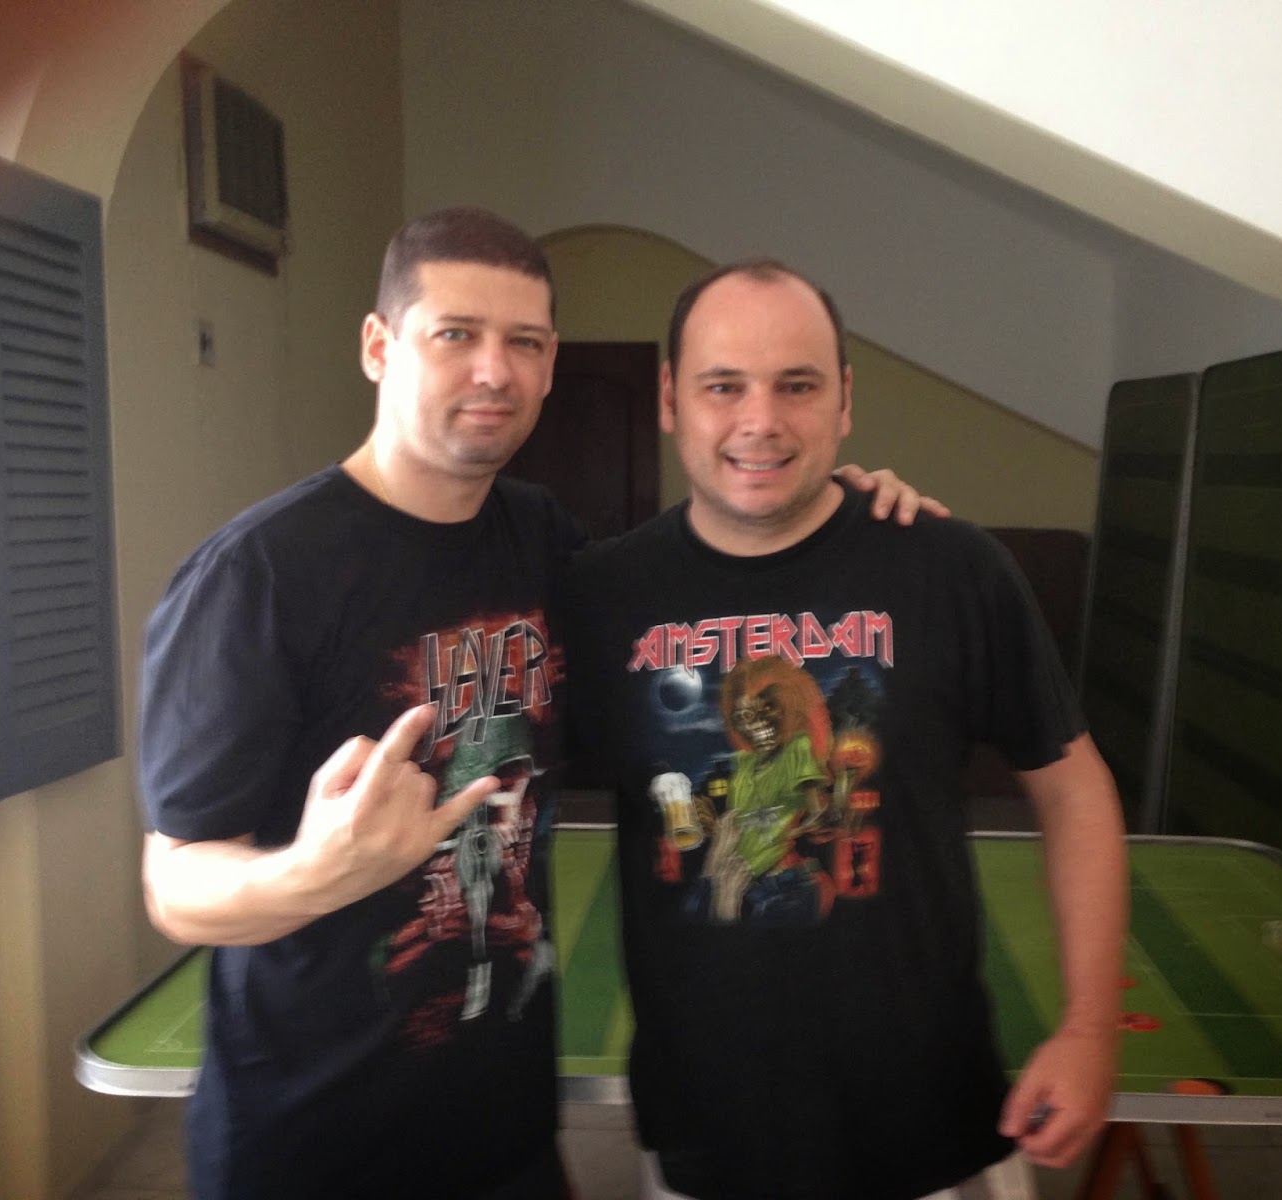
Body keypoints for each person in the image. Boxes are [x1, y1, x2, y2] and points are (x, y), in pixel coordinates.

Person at [137, 209, 934, 1199]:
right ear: (379, 347)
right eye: (455, 334)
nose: (493, 371)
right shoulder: (258, 575)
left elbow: (704, 594)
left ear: (551, 363)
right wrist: (317, 872)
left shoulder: (542, 539)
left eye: (524, 342)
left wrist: (831, 507)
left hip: (506, 1133)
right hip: (313, 1147)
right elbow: (175, 886)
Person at [564, 260, 1128, 1200]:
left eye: (797, 385)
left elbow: (1073, 789)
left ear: (845, 400)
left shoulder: (951, 568)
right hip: (707, 1132)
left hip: (934, 1132)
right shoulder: (598, 595)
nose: (760, 420)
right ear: (669, 399)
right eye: (723, 386)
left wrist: (1090, 1029)